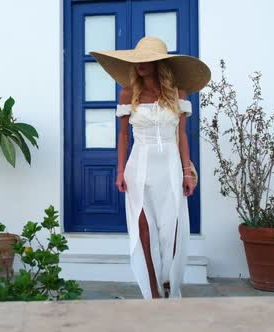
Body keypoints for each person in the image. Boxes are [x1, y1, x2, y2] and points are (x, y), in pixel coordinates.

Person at [90, 36, 210, 299]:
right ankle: (153, 292)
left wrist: (187, 171)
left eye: (147, 60)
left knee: (172, 228)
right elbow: (122, 137)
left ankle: (170, 284)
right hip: (139, 167)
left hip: (170, 167)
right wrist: (120, 171)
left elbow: (182, 135)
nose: (141, 65)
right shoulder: (127, 93)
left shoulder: (178, 93)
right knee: (144, 228)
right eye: (138, 60)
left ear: (159, 64)